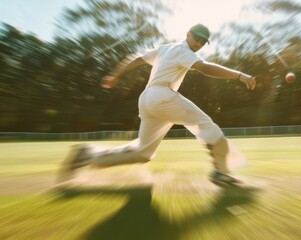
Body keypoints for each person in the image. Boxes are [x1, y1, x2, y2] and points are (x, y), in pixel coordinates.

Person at [58, 24, 256, 185]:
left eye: (204, 41)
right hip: (162, 96)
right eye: (197, 38)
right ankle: (221, 172)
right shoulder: (183, 50)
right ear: (187, 34)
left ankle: (87, 155)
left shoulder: (165, 48)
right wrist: (239, 75)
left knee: (142, 153)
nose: (199, 43)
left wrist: (115, 75)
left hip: (148, 100)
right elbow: (204, 68)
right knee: (206, 125)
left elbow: (138, 58)